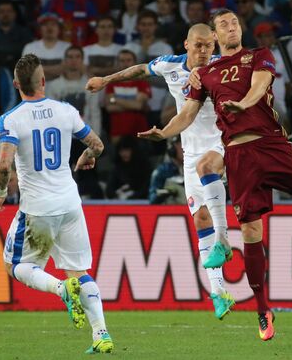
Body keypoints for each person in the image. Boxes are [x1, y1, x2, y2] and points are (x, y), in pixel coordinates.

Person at [137, 8, 292, 341]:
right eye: (224, 25)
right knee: (252, 231)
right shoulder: (206, 74)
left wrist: (244, 104)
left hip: (272, 146)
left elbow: (259, 85)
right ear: (215, 35)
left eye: (235, 23)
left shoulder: (259, 56)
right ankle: (262, 310)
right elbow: (188, 114)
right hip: (239, 156)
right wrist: (164, 133)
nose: (231, 28)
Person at [86, 23, 235, 319]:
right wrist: (106, 79)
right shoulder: (170, 65)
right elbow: (140, 70)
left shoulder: (222, 67)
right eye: (198, 45)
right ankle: (219, 293)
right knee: (200, 218)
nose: (204, 51)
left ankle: (224, 238)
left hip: (222, 144)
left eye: (209, 46)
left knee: (209, 171)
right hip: (190, 151)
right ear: (187, 45)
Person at [0, 54, 113, 354]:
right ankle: (101, 334)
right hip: (70, 204)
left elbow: (3, 165)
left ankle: (60, 289)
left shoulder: (10, 119)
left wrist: (0, 191)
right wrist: (85, 158)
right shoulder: (66, 111)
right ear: (44, 81)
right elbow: (97, 145)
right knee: (79, 271)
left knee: (16, 265)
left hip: (38, 209)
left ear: (16, 84)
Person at [103, 49, 150, 145]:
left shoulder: (142, 82)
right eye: (122, 61)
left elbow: (138, 106)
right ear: (117, 63)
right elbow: (109, 108)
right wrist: (132, 104)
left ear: (135, 63)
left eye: (128, 60)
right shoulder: (111, 83)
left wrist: (115, 99)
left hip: (139, 130)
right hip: (117, 131)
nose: (125, 64)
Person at [22, 12, 70, 83]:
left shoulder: (68, 47)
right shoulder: (29, 47)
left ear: (59, 28)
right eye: (45, 25)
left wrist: (37, 69)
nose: (49, 28)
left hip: (61, 92)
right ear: (39, 29)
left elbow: (68, 70)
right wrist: (58, 69)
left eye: (53, 24)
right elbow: (27, 72)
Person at [105, 135, 150, 200]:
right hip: (121, 202)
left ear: (134, 150)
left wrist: (133, 196)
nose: (124, 154)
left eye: (127, 150)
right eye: (121, 151)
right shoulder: (117, 167)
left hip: (141, 202)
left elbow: (146, 188)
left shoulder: (144, 166)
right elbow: (109, 190)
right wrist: (118, 194)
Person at [148, 135, 185, 204]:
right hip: (170, 211)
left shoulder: (194, 169)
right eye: (182, 147)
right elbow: (152, 200)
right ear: (172, 149)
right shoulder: (161, 172)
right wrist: (166, 192)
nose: (186, 150)